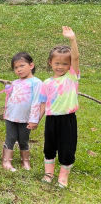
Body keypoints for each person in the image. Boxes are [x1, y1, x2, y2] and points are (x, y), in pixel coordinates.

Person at [39, 26, 80, 188]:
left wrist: (72, 39)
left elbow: (76, 58)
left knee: (67, 148)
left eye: (65, 64)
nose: (60, 66)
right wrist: (36, 120)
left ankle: (63, 176)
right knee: (49, 147)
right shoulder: (46, 83)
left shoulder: (71, 77)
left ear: (69, 66)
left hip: (67, 119)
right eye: (57, 63)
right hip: (51, 119)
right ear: (51, 62)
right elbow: (43, 103)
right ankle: (48, 173)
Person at [0, 52, 42, 172]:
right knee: (10, 137)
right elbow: (9, 99)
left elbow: (36, 101)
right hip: (11, 117)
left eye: (22, 66)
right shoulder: (14, 83)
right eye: (16, 67)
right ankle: (6, 161)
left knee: (24, 139)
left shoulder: (37, 83)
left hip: (26, 118)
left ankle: (25, 161)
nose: (18, 69)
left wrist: (34, 119)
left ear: (31, 65)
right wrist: (6, 112)